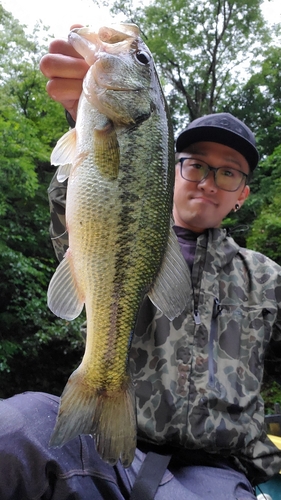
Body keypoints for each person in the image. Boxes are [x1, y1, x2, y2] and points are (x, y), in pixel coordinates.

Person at [0, 34, 280, 500]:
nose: (209, 183)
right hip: (104, 448)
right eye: (195, 166)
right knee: (11, 432)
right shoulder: (132, 211)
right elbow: (75, 215)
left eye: (228, 172)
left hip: (213, 466)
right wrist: (80, 116)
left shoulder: (268, 279)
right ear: (171, 169)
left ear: (242, 194)